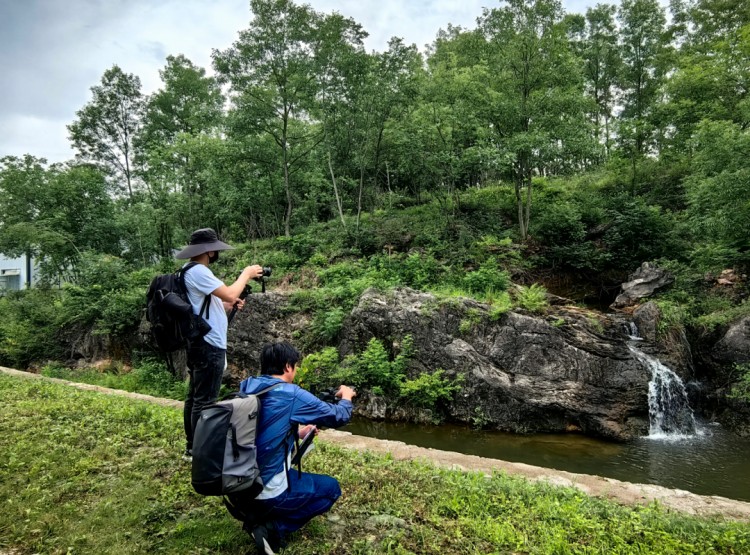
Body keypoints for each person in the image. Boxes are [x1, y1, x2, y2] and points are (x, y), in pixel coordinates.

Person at [235, 342, 356, 555]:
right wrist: (346, 397)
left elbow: (258, 428)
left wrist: (297, 432)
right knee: (331, 489)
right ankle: (271, 528)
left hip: (240, 486)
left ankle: (256, 514)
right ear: (288, 366)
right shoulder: (290, 393)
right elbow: (339, 416)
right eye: (296, 365)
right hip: (266, 491)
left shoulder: (248, 387)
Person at [175, 227, 264, 458]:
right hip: (208, 345)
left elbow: (213, 304)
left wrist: (229, 305)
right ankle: (201, 452)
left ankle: (193, 447)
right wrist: (246, 274)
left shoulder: (188, 271)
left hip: (199, 343)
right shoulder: (199, 272)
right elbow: (231, 293)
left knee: (195, 398)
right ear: (210, 252)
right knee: (205, 402)